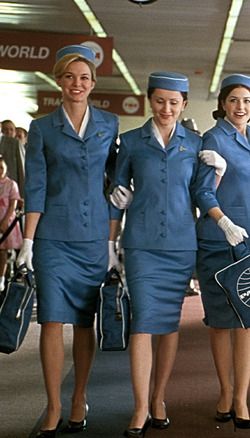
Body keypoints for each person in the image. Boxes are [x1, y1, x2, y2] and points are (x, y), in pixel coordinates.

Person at [108, 72, 220, 437]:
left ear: (184, 104)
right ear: (149, 101)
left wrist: (219, 172)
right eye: (160, 101)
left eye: (174, 102)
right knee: (143, 321)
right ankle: (140, 407)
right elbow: (118, 190)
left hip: (180, 244)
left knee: (168, 324)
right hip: (140, 242)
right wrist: (112, 237)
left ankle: (158, 397)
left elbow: (203, 195)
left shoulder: (197, 142)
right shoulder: (130, 141)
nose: (166, 109)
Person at [19, 45, 120, 438]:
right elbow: (37, 186)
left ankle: (79, 397)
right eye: (69, 77)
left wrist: (119, 203)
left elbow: (117, 175)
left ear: (93, 84)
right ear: (59, 81)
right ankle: (54, 404)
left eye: (84, 78)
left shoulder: (109, 123)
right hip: (52, 238)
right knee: (50, 320)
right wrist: (27, 240)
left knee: (83, 321)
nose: (77, 84)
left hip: (94, 234)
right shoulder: (42, 128)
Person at [196, 73, 250, 430]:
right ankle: (225, 392)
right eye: (234, 100)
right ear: (223, 105)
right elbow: (203, 192)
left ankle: (242, 398)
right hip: (219, 240)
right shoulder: (214, 137)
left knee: (247, 321)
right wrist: (223, 222)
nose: (240, 107)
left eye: (247, 101)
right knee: (220, 322)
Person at [0, 157, 22, 291]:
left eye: (1, 168)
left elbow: (12, 205)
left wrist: (4, 221)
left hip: (5, 221)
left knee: (2, 250)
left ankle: (1, 279)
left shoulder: (11, 184)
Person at [0, 119, 24, 196]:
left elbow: (22, 170)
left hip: (10, 193)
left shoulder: (15, 143)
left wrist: (22, 196)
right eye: (6, 129)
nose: (8, 132)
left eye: (11, 129)